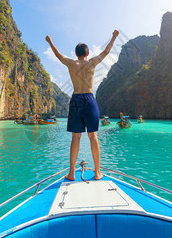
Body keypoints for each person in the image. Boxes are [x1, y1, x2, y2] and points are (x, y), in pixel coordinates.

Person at [45, 30, 119, 180]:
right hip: (90, 100)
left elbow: (58, 55)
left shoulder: (71, 63)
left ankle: (72, 173)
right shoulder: (92, 62)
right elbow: (106, 52)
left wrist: (49, 42)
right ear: (88, 52)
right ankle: (97, 173)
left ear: (75, 53)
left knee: (76, 137)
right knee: (93, 136)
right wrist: (114, 37)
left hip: (76, 100)